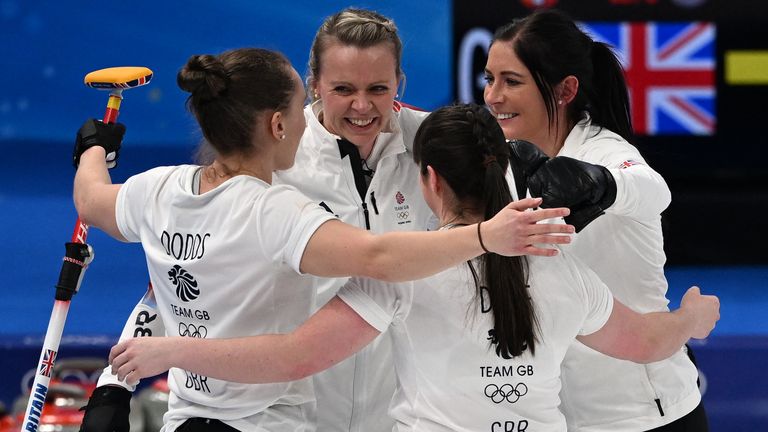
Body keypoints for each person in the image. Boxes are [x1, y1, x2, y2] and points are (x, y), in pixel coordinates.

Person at [106, 104, 720, 432]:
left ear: (429, 181)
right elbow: (645, 343)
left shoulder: (397, 277)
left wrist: (173, 351)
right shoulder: (564, 272)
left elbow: (291, 358)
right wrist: (692, 317)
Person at [73, 48, 573, 432]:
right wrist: (486, 235)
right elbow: (379, 256)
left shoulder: (154, 189)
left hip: (186, 419)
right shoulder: (275, 213)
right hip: (267, 421)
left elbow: (91, 200)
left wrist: (94, 149)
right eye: (301, 109)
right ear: (277, 125)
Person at [483, 9, 707, 431]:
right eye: (489, 78)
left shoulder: (604, 151)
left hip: (646, 416)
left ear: (565, 89)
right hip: (561, 417)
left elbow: (652, 189)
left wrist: (603, 185)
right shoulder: (504, 162)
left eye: (511, 81)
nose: (492, 95)